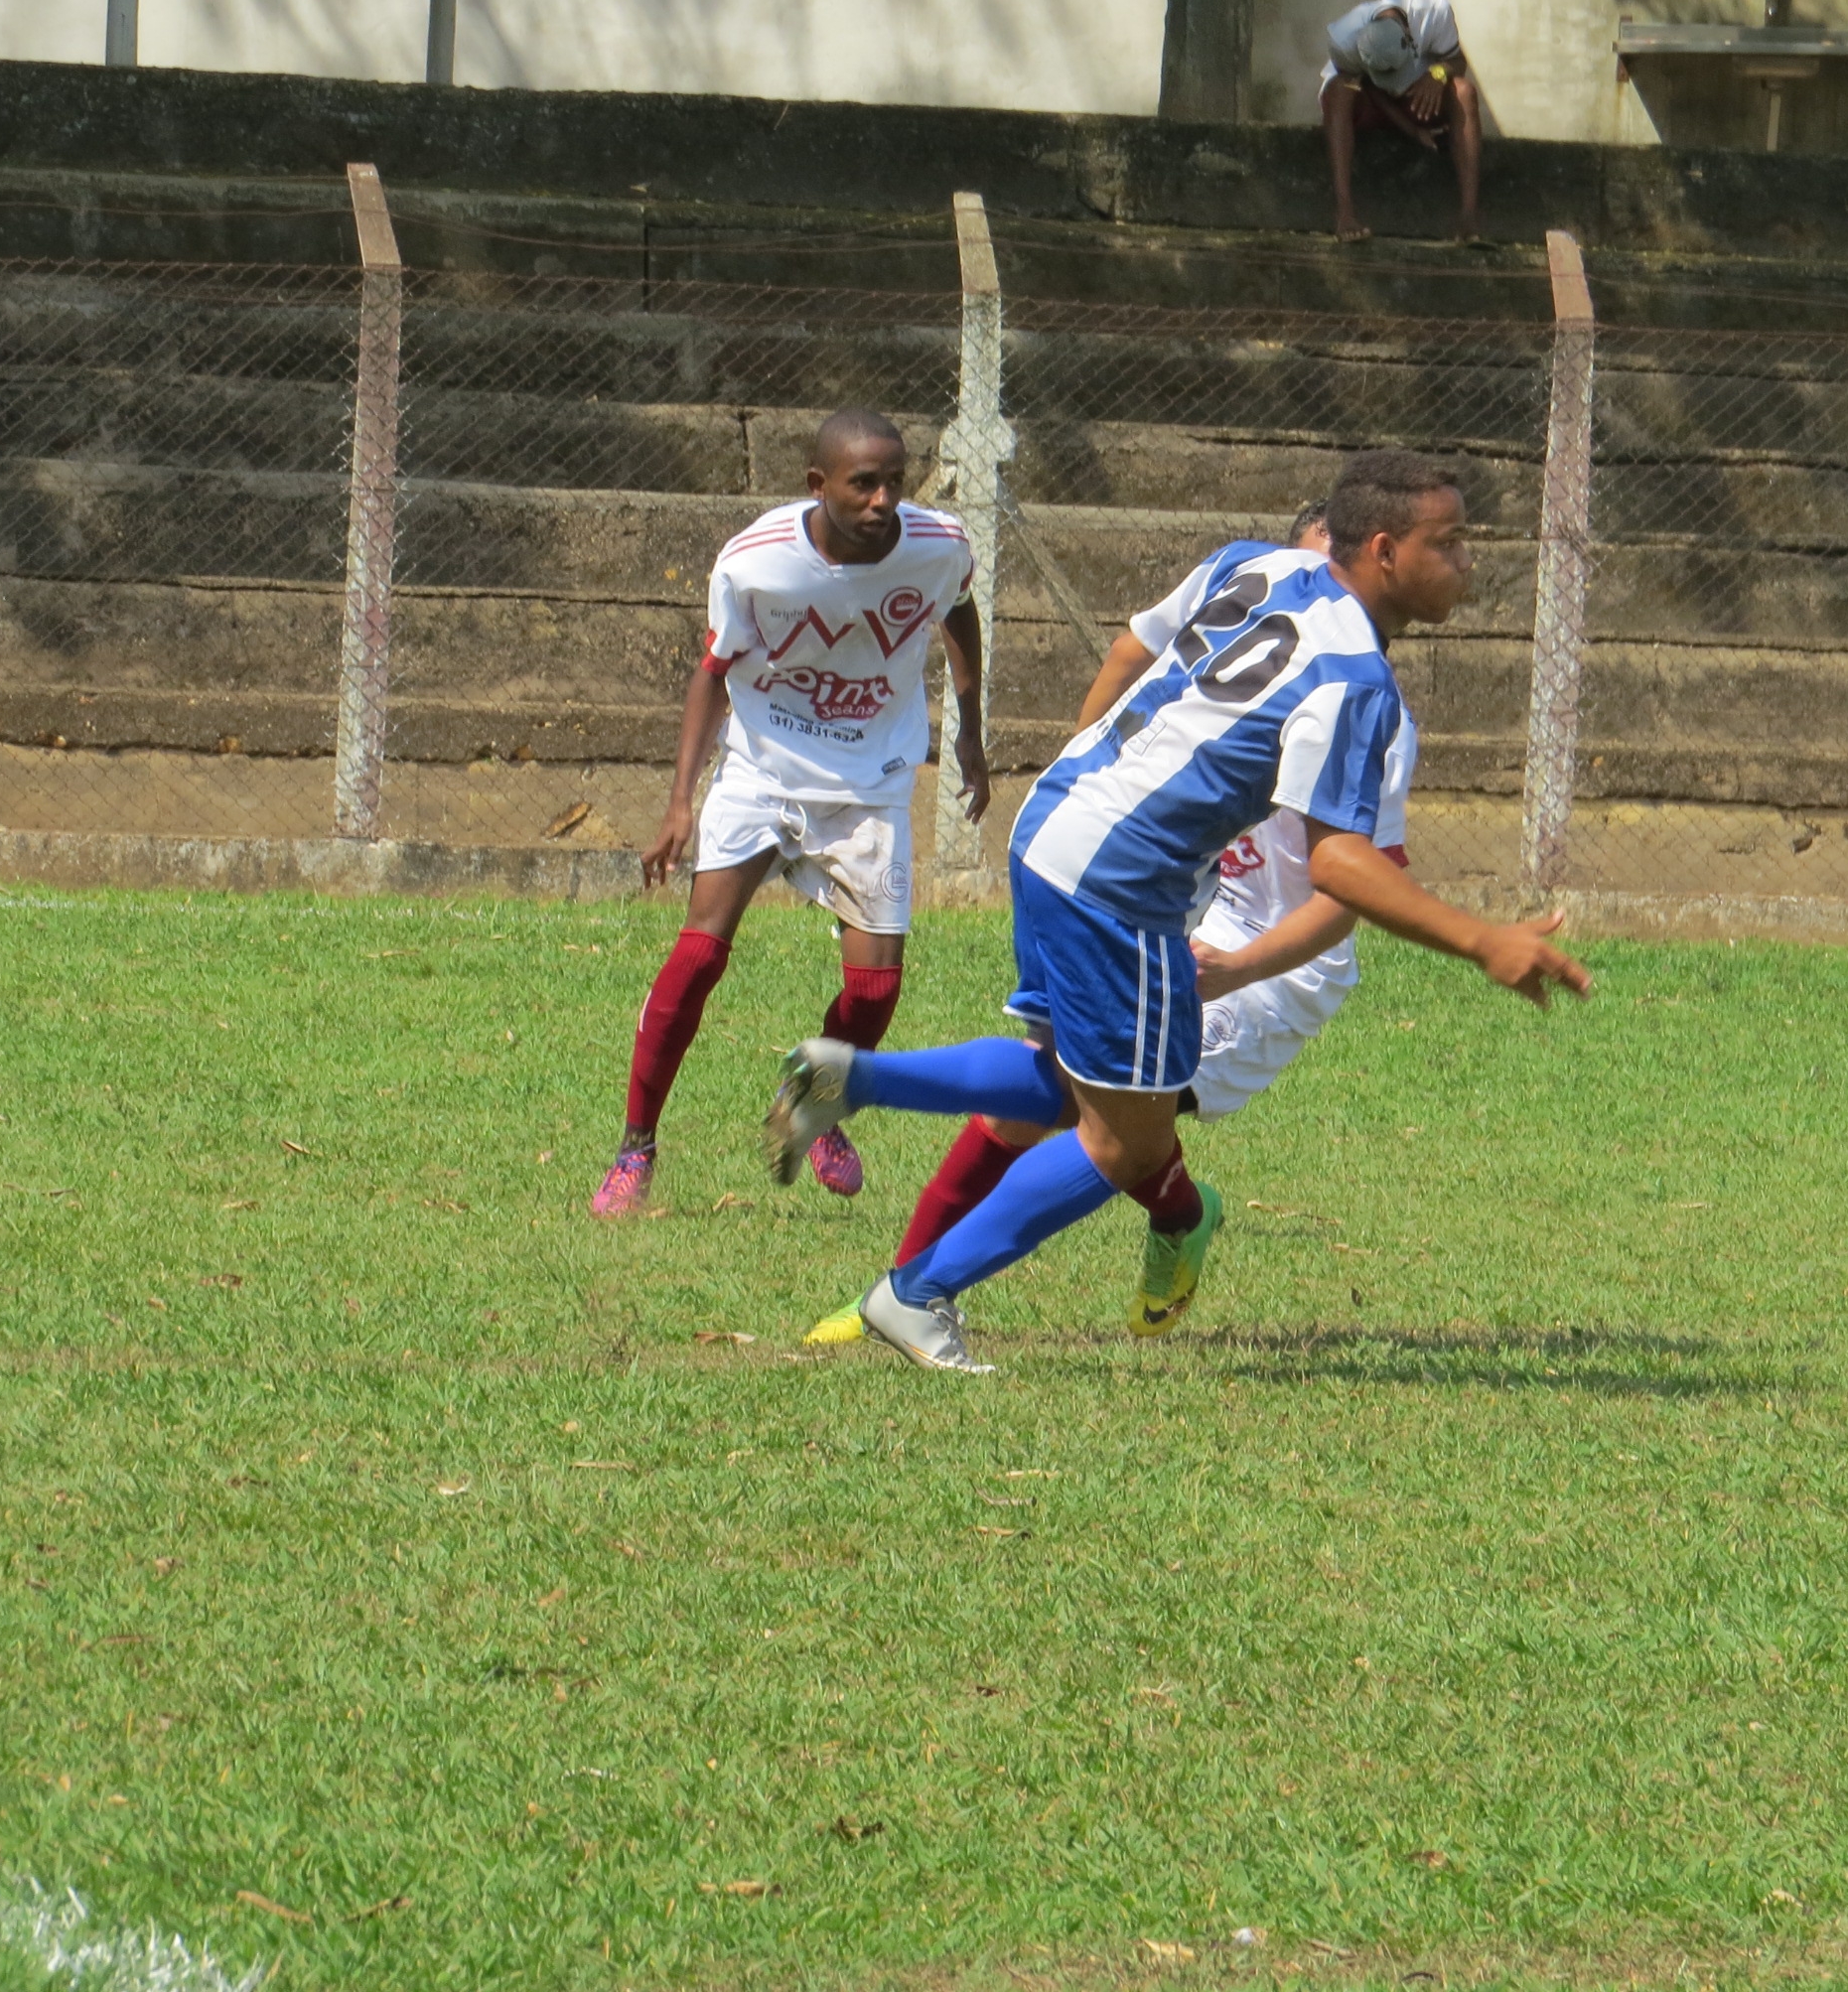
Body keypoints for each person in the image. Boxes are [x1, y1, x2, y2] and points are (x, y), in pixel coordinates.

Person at [762, 451, 1589, 1374]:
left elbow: (1134, 649)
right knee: (1122, 1144)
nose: (1470, 563)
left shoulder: (1255, 564)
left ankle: (851, 1080)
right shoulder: (1356, 682)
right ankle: (916, 1294)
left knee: (1069, 1082)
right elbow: (1340, 865)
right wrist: (1484, 939)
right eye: (1452, 543)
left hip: (1055, 825)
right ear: (1386, 551)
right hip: (1124, 884)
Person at [809, 502, 1417, 1336]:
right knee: (1069, 1102)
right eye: (1308, 568)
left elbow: (1349, 894)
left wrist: (1237, 969)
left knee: (1086, 1112)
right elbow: (1131, 651)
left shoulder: (1364, 708)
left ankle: (909, 1275)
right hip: (1165, 907)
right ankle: (917, 1277)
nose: (1318, 592)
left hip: (1271, 964)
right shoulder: (1244, 620)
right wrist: (1093, 775)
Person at [589, 409, 988, 1219]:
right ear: (818, 485)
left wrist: (970, 729)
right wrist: (681, 802)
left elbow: (958, 611)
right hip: (763, 771)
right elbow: (712, 671)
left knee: (875, 992)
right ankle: (636, 1149)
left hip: (871, 782)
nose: (883, 501)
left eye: (894, 483)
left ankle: (815, 1104)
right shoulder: (756, 560)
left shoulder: (939, 546)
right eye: (863, 484)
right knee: (699, 955)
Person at [1320, 0, 1481, 243]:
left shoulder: (1433, 11)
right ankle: (1344, 213)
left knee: (1464, 91)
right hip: (1373, 103)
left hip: (1419, 99)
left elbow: (1457, 61)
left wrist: (1438, 74)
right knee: (1339, 89)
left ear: (1409, 34)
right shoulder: (1343, 41)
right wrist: (1411, 130)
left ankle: (1468, 217)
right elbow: (1368, 86)